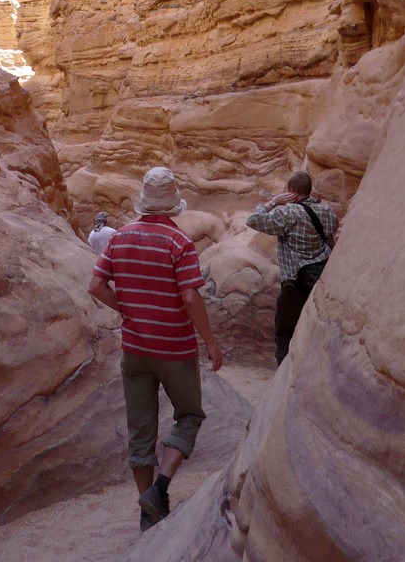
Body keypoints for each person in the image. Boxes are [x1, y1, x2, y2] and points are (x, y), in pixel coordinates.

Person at [88, 167, 223, 533]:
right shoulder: (179, 243)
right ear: (172, 205)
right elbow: (190, 295)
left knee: (140, 432)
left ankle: (148, 512)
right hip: (174, 349)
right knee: (190, 416)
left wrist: (126, 309)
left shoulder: (120, 238)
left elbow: (96, 286)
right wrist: (210, 341)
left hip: (134, 349)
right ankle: (160, 488)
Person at [246, 170, 338, 365]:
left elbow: (253, 220)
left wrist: (272, 202)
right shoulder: (326, 211)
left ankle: (285, 379)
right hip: (319, 280)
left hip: (294, 284)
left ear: (291, 191)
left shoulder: (287, 212)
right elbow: (332, 228)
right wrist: (318, 204)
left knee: (284, 332)